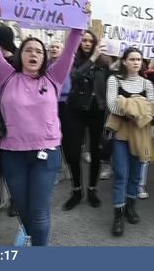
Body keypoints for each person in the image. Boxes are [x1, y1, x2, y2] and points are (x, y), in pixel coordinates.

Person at [0, 0, 88, 245]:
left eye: (39, 50)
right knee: (24, 211)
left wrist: (80, 20)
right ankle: (30, 238)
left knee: (38, 212)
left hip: (45, 154)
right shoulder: (5, 76)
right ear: (20, 55)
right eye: (28, 50)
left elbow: (70, 49)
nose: (34, 53)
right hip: (12, 153)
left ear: (45, 57)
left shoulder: (54, 78)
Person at [106, 47, 154, 237]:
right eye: (132, 59)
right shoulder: (114, 80)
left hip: (141, 132)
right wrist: (137, 109)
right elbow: (112, 106)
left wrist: (128, 104)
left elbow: (152, 109)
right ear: (124, 61)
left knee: (136, 173)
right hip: (121, 131)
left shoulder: (147, 84)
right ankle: (118, 215)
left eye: (138, 59)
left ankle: (130, 207)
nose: (136, 62)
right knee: (120, 173)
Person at [61, 30, 111, 210]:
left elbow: (111, 82)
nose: (87, 43)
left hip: (96, 110)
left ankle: (92, 189)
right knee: (73, 152)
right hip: (75, 110)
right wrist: (92, 58)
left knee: (96, 152)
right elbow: (74, 77)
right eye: (84, 40)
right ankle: (76, 190)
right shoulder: (72, 60)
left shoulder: (104, 63)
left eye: (90, 41)